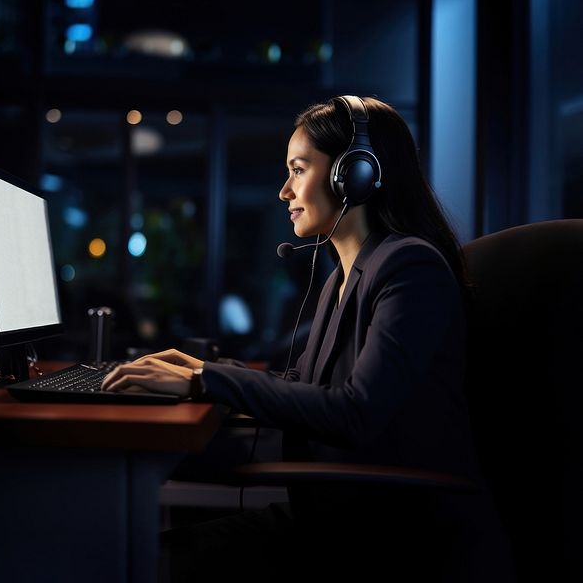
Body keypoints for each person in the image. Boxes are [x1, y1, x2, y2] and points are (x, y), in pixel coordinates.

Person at [101, 95, 515, 582]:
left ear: (356, 174)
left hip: (400, 538)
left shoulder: (410, 267)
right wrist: (194, 371)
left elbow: (356, 412)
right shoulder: (343, 276)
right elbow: (303, 383)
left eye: (298, 169)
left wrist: (204, 381)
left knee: (143, 561)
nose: (284, 191)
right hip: (344, 518)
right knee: (137, 550)